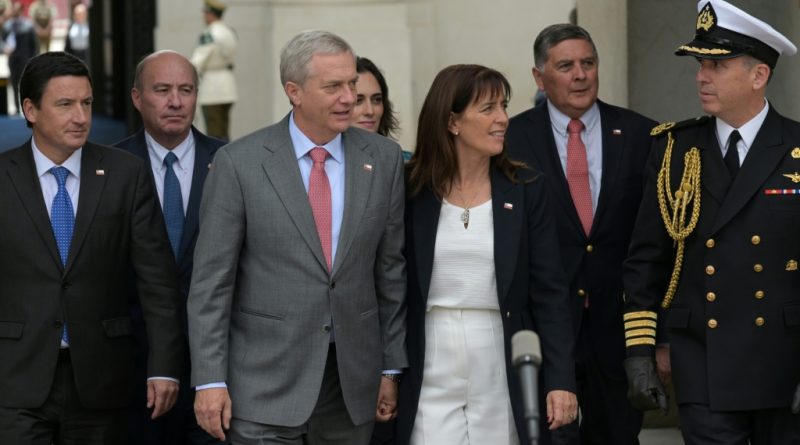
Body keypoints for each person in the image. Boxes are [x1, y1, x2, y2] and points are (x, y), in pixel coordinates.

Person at [187, 30, 407, 444]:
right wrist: (210, 379)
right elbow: (211, 283)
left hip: (351, 385)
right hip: (263, 384)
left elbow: (390, 271)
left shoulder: (383, 159)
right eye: (333, 86)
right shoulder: (239, 163)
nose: (349, 98)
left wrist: (391, 368)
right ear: (294, 92)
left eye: (351, 83)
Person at [622, 1, 800, 443]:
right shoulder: (675, 150)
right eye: (700, 65)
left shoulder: (796, 147)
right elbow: (647, 259)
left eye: (716, 66)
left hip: (785, 361)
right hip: (703, 362)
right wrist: (640, 350)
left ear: (759, 75)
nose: (702, 76)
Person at [0, 51, 184, 444]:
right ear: (30, 110)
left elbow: (157, 281)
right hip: (14, 380)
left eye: (86, 103)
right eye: (65, 104)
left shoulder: (125, 174)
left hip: (103, 379)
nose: (81, 117)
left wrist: (164, 366)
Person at [396, 64, 578, 445]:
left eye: (504, 106)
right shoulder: (411, 190)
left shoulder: (526, 188)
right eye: (488, 108)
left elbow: (550, 292)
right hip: (429, 350)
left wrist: (561, 380)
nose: (503, 119)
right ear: (452, 122)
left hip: (500, 346)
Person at [506, 24, 657, 445]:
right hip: (544, 327)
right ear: (539, 77)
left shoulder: (643, 135)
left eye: (588, 63)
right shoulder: (510, 140)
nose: (580, 75)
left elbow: (656, 241)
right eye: (566, 66)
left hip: (617, 328)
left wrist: (657, 339)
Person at [114, 50, 226, 445]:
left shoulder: (231, 162)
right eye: (162, 90)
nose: (176, 102)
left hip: (214, 369)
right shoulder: (110, 166)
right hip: (133, 365)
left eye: (186, 90)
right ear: (137, 98)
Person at [191, 0, 237, 141]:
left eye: (205, 13)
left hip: (212, 88)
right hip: (228, 86)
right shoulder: (229, 32)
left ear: (210, 14)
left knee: (214, 132)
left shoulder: (209, 33)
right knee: (224, 130)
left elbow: (199, 60)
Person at [3, 1, 37, 113]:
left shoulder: (28, 25)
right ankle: (17, 108)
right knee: (14, 83)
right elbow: (2, 41)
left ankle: (27, 108)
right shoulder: (7, 26)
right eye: (14, 10)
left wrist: (33, 60)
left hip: (25, 59)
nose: (15, 12)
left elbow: (34, 45)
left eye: (17, 10)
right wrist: (4, 48)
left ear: (22, 11)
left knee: (26, 84)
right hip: (13, 60)